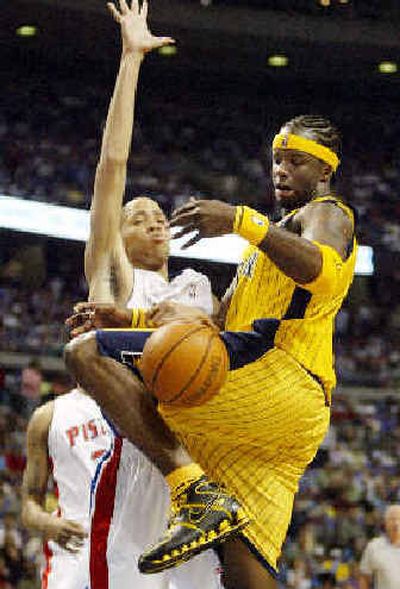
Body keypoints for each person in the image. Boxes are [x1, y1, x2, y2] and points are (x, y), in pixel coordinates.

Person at [65, 53, 356, 589]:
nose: (280, 170)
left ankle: (191, 489)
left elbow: (325, 271)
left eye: (295, 160)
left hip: (276, 376)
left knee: (88, 353)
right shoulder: (255, 255)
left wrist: (238, 219)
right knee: (246, 562)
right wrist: (125, 314)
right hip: (282, 420)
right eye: (276, 159)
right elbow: (216, 324)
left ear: (325, 170)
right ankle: (203, 498)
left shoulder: (327, 214)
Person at [71, 1, 223, 587]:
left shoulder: (197, 288)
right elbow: (113, 164)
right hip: (138, 463)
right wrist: (131, 58)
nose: (155, 221)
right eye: (140, 216)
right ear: (117, 234)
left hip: (203, 462)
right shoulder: (113, 277)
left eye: (160, 216)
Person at [21, 387, 112, 589]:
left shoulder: (134, 401)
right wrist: (48, 523)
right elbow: (29, 506)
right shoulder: (47, 417)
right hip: (74, 545)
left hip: (127, 540)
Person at [359, 504, 400, 589]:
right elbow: (364, 577)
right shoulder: (374, 546)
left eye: (399, 519)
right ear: (385, 523)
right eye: (392, 519)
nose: (396, 523)